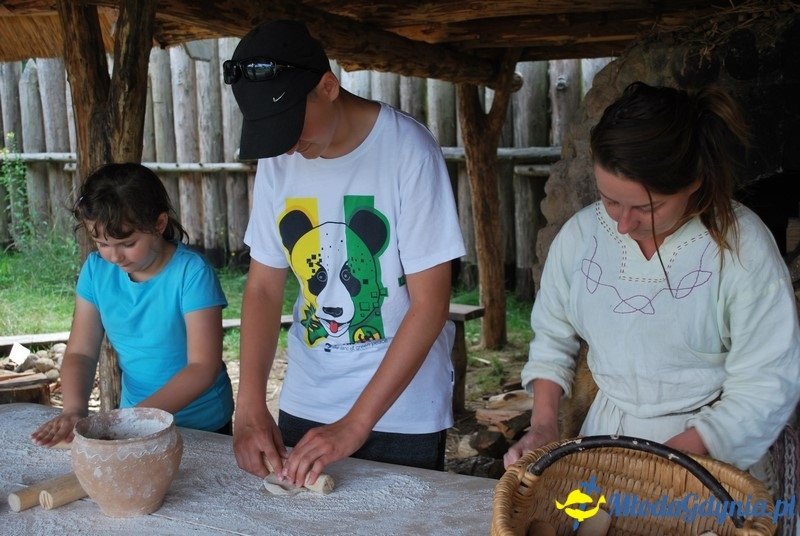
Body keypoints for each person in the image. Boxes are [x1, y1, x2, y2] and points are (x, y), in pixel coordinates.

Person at [504, 81, 800, 472]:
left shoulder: (741, 248)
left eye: (648, 207)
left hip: (711, 450)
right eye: (610, 200)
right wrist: (543, 425)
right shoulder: (581, 236)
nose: (623, 224)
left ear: (694, 180)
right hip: (606, 436)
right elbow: (553, 336)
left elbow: (768, 381)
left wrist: (673, 458)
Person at [225, 20, 465, 488]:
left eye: (292, 126)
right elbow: (262, 284)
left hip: (403, 413)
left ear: (328, 87)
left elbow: (431, 303)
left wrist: (356, 424)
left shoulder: (408, 151)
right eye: (273, 133)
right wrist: (250, 404)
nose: (288, 144)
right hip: (308, 403)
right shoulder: (280, 157)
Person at [31, 163, 234, 447]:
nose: (114, 256)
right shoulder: (96, 270)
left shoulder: (192, 273)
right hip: (134, 415)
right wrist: (74, 409)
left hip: (201, 423)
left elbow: (203, 367)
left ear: (159, 224)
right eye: (101, 242)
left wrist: (133, 419)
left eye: (127, 243)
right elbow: (81, 352)